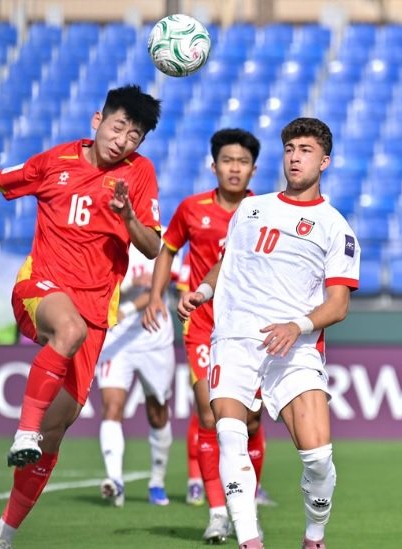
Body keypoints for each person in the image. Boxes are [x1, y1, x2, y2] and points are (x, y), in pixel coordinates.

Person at [0, 85, 162, 549]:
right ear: (96, 119)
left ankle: (4, 531)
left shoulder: (139, 176)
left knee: (55, 432)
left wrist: (125, 216)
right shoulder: (54, 161)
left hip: (96, 312)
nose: (123, 140)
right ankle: (24, 430)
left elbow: (152, 246)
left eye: (134, 135)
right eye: (118, 126)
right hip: (39, 288)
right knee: (68, 330)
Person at [178, 118, 360, 549]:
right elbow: (228, 261)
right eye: (290, 148)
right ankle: (248, 538)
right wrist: (203, 290)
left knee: (318, 459)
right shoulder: (251, 208)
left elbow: (338, 305)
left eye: (306, 150)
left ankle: (314, 536)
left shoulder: (335, 227)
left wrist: (296, 326)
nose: (295, 157)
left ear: (325, 161)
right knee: (229, 433)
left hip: (293, 345)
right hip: (235, 337)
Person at [142, 128, 271, 542]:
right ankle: (218, 512)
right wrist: (155, 297)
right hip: (203, 324)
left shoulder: (266, 211)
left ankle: (245, 503)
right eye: (227, 160)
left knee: (250, 421)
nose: (235, 168)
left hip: (252, 328)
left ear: (253, 169)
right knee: (210, 412)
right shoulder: (191, 209)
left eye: (243, 161)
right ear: (213, 165)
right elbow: (167, 250)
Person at [96, 242, 177, 507]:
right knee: (112, 406)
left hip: (153, 336)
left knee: (157, 412)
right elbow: (97, 289)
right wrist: (130, 282)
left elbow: (159, 286)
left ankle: (156, 481)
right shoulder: (105, 242)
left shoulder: (162, 239)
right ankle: (115, 480)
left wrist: (127, 307)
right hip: (116, 339)